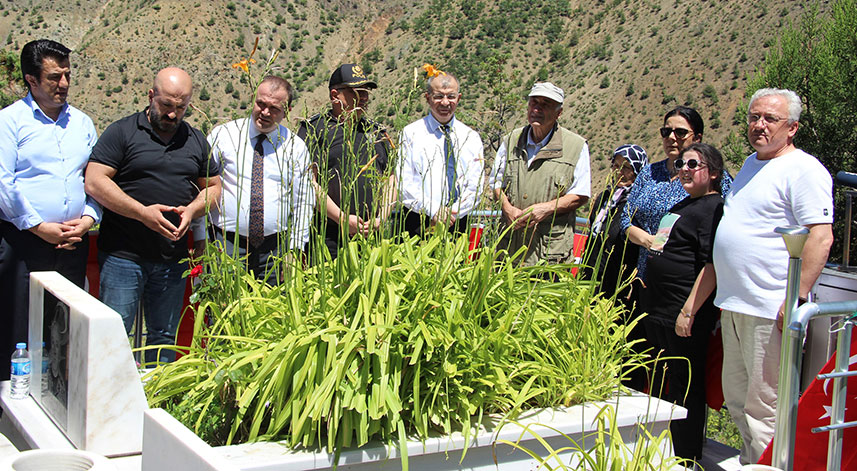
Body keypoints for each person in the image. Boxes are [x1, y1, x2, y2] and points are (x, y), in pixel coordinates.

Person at [712, 88, 833, 464]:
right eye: (754, 116)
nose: (758, 125)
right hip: (735, 302)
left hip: (769, 308)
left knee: (765, 405)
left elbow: (821, 235)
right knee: (736, 397)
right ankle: (752, 462)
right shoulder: (751, 163)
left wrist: (795, 297)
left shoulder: (804, 170)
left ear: (792, 127)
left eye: (770, 119)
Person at [85, 67, 222, 364]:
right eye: (166, 105)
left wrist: (192, 210)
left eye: (181, 108)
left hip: (171, 261)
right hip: (124, 257)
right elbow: (95, 181)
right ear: (150, 96)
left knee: (162, 339)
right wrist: (141, 213)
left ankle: (158, 403)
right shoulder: (122, 132)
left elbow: (213, 188)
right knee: (114, 335)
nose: (173, 115)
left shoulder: (195, 139)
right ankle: (111, 405)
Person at [0, 39, 99, 379]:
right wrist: (39, 227)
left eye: (68, 75)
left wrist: (88, 219)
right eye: (55, 77)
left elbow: (95, 178)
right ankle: (11, 406)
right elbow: (3, 183)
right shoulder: (10, 122)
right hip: (22, 243)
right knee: (17, 326)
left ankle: (61, 397)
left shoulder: (82, 123)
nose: (65, 84)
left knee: (65, 326)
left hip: (72, 242)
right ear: (31, 79)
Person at [643, 143, 725, 462]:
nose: (685, 169)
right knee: (663, 381)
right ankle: (661, 446)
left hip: (682, 313)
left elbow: (711, 264)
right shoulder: (683, 204)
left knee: (685, 385)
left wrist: (688, 311)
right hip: (658, 310)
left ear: (714, 173)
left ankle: (685, 455)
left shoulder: (713, 208)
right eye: (681, 164)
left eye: (694, 163)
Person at [206, 75, 313, 282]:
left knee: (273, 310)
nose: (265, 112)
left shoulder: (295, 147)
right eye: (260, 104)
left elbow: (304, 201)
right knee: (225, 310)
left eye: (274, 108)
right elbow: (204, 187)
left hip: (275, 251)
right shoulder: (224, 136)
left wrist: (296, 248)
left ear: (287, 111)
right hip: (226, 246)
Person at [621, 106, 732, 280]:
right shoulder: (650, 172)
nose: (671, 138)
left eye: (680, 132)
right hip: (644, 273)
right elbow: (626, 218)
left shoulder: (711, 177)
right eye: (666, 132)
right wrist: (647, 240)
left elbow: (727, 222)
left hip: (689, 276)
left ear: (697, 138)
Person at [297, 64, 393, 262]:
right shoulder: (314, 130)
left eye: (366, 92)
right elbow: (308, 181)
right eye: (356, 92)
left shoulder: (376, 132)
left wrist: (381, 218)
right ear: (335, 95)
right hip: (327, 236)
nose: (364, 98)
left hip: (372, 235)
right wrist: (341, 219)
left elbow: (391, 177)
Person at [489, 82, 591, 266]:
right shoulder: (511, 141)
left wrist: (545, 209)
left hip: (549, 253)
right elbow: (496, 183)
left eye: (545, 104)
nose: (537, 109)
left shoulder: (576, 146)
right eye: (534, 103)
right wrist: (507, 208)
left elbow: (581, 194)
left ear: (559, 112)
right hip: (507, 249)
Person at [396, 69, 484, 237]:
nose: (445, 103)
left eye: (451, 96)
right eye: (438, 96)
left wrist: (452, 213)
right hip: (419, 222)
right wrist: (434, 210)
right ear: (428, 98)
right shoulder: (410, 134)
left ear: (459, 98)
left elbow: (476, 186)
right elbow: (404, 183)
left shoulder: (471, 138)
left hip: (458, 222)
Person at [587, 144, 648, 298]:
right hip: (590, 272)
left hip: (617, 280)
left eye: (627, 167)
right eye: (616, 165)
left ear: (638, 170)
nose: (619, 171)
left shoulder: (639, 204)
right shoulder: (605, 198)